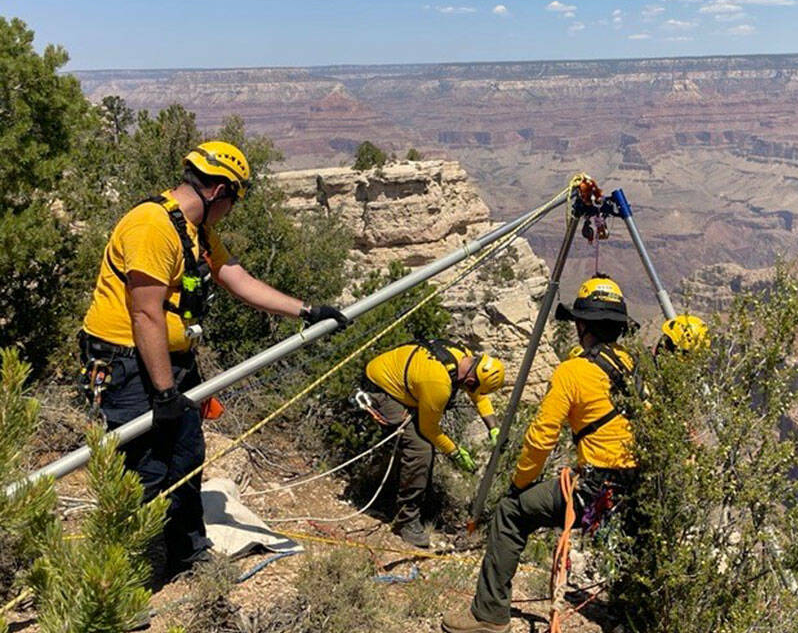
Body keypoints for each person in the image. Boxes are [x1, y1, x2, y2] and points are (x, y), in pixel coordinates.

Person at [79, 141, 348, 586]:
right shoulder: (152, 226)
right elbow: (144, 312)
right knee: (143, 469)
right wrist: (165, 394)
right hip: (127, 363)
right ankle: (123, 581)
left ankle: (187, 552)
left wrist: (305, 310)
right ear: (219, 190)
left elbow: (234, 278)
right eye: (233, 202)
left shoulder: (194, 228)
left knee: (186, 457)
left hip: (170, 361)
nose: (230, 211)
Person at [442, 276, 639, 633]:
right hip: (637, 488)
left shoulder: (574, 370)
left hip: (595, 490)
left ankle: (489, 615)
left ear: (582, 325)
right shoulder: (636, 365)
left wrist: (519, 485)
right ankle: (641, 611)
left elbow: (541, 437)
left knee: (510, 514)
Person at [360, 340, 505, 547]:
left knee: (420, 442)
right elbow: (429, 429)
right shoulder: (439, 383)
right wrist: (455, 453)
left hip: (402, 381)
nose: (470, 390)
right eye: (472, 386)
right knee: (421, 448)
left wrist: (493, 427)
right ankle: (406, 520)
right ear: (471, 378)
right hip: (382, 389)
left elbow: (478, 395)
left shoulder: (464, 357)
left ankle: (405, 495)